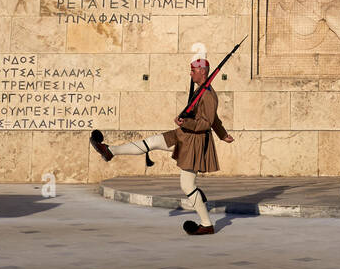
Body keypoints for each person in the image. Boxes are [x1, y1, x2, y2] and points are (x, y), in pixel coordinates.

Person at [90, 57, 234, 236]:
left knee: (187, 185)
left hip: (194, 142)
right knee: (151, 142)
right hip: (185, 135)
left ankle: (206, 224)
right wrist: (223, 134)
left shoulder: (209, 94)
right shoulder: (201, 90)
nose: (190, 73)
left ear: (202, 72)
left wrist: (186, 122)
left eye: (193, 71)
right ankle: (109, 150)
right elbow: (214, 120)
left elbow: (207, 122)